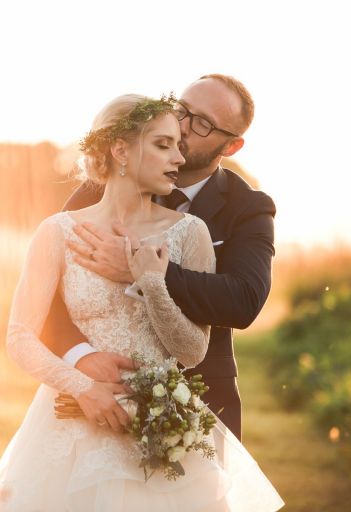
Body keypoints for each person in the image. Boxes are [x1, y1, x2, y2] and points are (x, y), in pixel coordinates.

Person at [0, 93, 283, 511]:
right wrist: (82, 380)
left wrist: (150, 280)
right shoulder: (59, 228)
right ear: (120, 149)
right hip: (71, 417)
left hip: (165, 425)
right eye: (166, 141)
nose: (179, 152)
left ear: (230, 144)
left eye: (188, 136)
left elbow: (204, 341)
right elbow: (22, 332)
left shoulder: (200, 228)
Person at [42, 74, 274, 440]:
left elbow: (243, 300)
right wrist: (79, 359)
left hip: (199, 398)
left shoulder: (249, 208)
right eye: (181, 109)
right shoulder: (101, 188)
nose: (182, 127)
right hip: (96, 394)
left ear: (231, 147)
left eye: (202, 124)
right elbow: (46, 294)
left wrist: (142, 272)